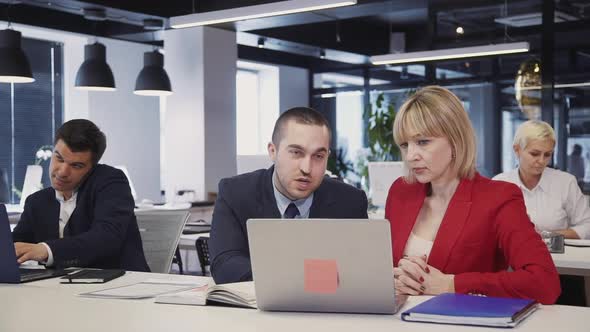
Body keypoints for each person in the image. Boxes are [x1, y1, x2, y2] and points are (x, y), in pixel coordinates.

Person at [386, 86, 560, 305]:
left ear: (456, 140)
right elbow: (386, 267)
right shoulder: (401, 192)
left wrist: (451, 285)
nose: (411, 156)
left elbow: (544, 282)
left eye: (422, 142)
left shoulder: (498, 198)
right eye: (405, 144)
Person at [209, 107, 368, 284]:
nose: (306, 168)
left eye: (318, 156)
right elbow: (225, 265)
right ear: (272, 151)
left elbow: (360, 270)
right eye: (296, 152)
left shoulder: (351, 202)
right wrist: (307, 277)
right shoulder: (235, 193)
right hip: (258, 309)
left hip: (328, 308)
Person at [12, 119, 150, 271]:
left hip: (119, 284)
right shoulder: (37, 201)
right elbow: (15, 244)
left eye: (76, 166)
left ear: (92, 168)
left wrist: (46, 250)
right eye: (59, 158)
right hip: (57, 288)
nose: (63, 172)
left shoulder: (111, 183)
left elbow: (106, 237)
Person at [493, 121, 590, 240]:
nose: (541, 161)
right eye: (534, 154)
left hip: (557, 257)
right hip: (510, 256)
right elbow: (488, 227)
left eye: (547, 154)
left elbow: (587, 226)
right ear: (517, 149)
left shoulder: (565, 182)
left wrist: (547, 236)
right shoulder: (499, 183)